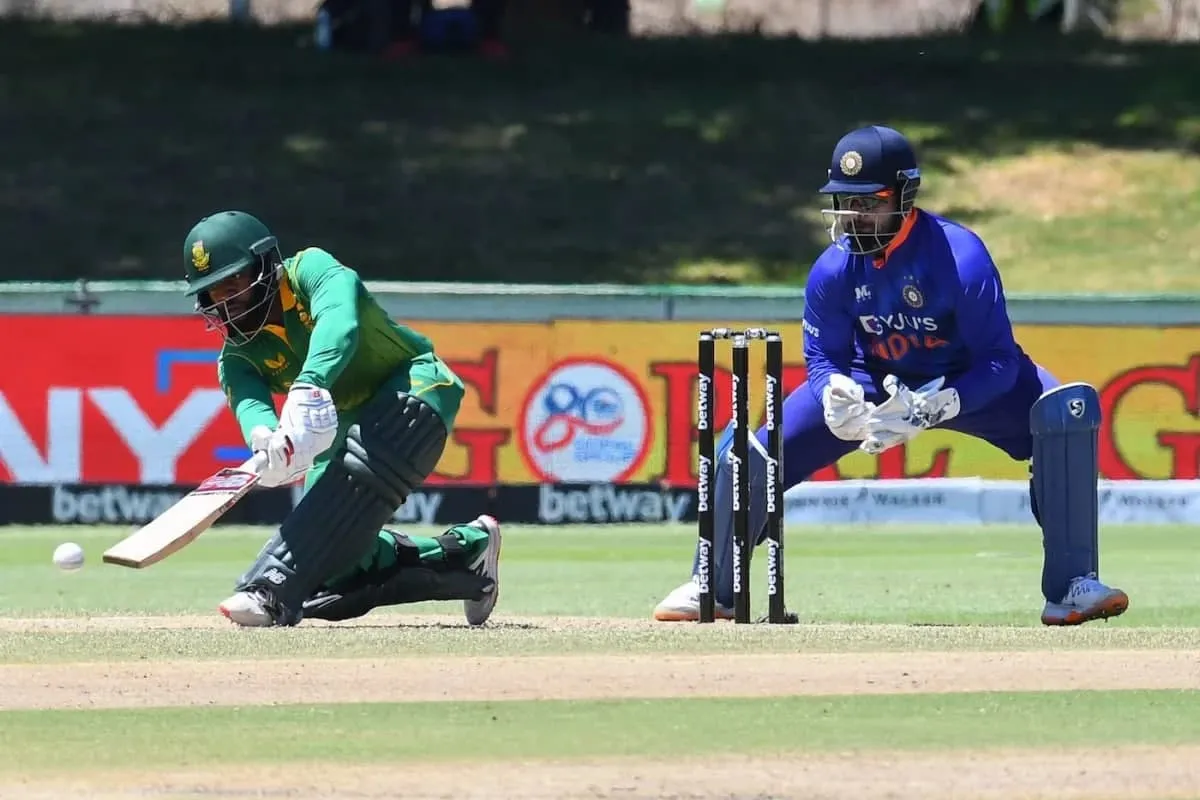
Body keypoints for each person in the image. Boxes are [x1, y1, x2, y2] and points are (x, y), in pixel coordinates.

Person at [654, 125, 1129, 627]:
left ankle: (1073, 587)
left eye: (871, 202)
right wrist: (833, 392)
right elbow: (822, 357)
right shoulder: (832, 270)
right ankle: (716, 585)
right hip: (873, 382)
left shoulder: (960, 257)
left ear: (905, 195)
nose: (856, 218)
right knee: (757, 448)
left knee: (1066, 414)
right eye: (845, 203)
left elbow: (1000, 362)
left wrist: (939, 404)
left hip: (969, 382)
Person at [182, 210, 502, 628]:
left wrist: (308, 383)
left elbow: (341, 323)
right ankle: (466, 557)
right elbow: (249, 404)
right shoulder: (238, 357)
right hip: (342, 423)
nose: (226, 304)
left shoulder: (310, 271)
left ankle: (269, 588)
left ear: (265, 264)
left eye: (234, 284)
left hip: (414, 386)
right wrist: (266, 441)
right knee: (332, 578)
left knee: (371, 453)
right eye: (212, 294)